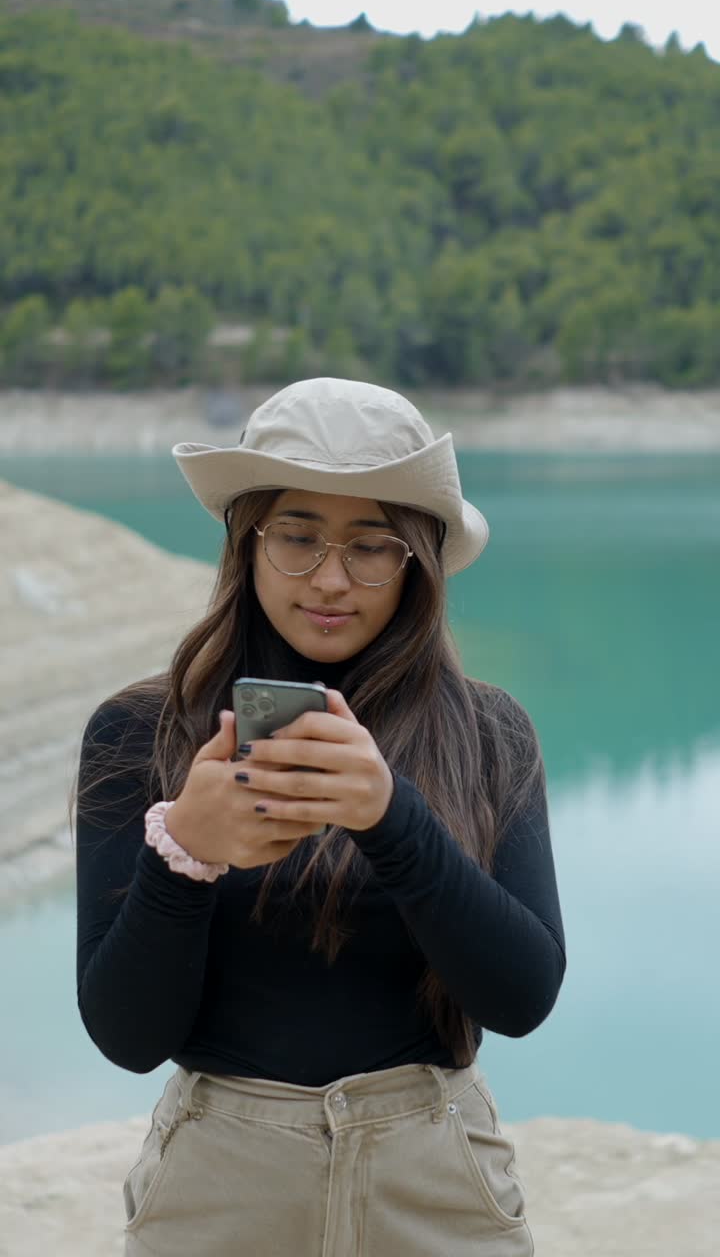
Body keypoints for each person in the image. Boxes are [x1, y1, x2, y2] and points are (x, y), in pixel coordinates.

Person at [74, 376, 566, 1256]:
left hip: (436, 1178)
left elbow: (522, 997)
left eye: (372, 546)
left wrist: (392, 819)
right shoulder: (139, 732)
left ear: (416, 559)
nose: (331, 579)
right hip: (216, 1182)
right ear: (245, 543)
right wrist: (183, 854)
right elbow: (128, 1037)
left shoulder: (488, 733)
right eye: (297, 538)